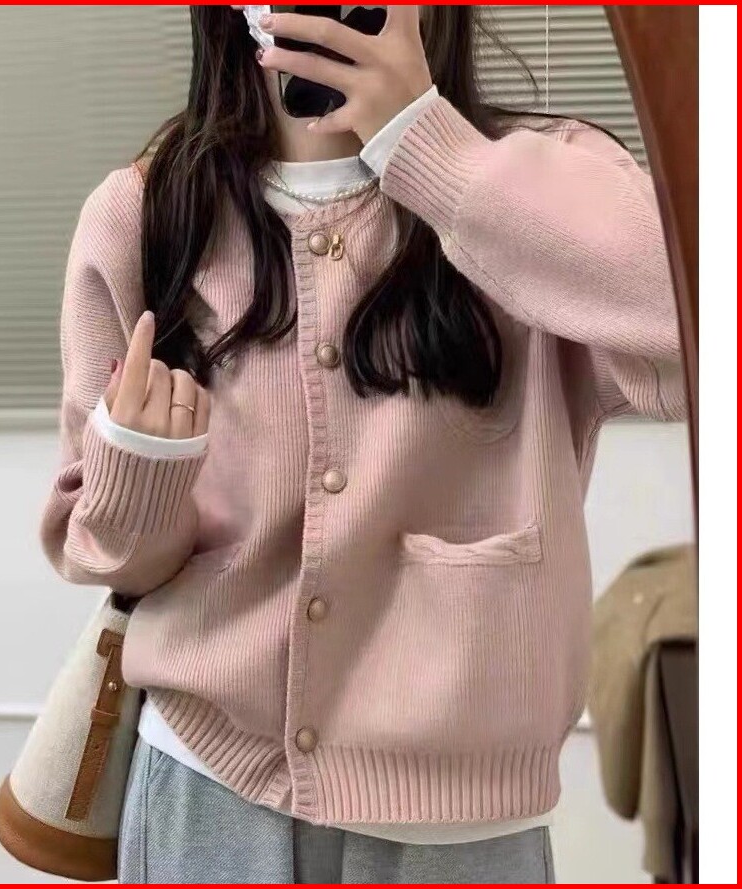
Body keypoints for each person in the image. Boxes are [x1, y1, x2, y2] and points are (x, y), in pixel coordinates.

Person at [40, 6, 685, 884]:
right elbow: (102, 552)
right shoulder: (146, 213)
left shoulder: (545, 177)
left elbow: (695, 335)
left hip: (462, 827)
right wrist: (139, 473)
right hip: (206, 789)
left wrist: (426, 146)